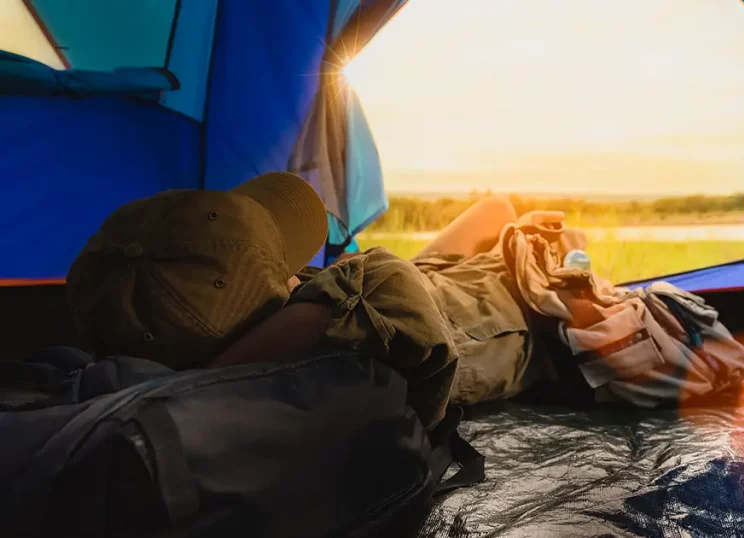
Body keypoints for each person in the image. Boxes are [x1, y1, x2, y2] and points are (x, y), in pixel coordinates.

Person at [66, 172, 540, 430]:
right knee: (541, 227)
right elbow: (381, 280)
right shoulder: (347, 323)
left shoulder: (124, 321)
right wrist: (211, 378)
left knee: (497, 209)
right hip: (497, 300)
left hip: (438, 278)